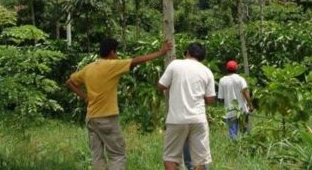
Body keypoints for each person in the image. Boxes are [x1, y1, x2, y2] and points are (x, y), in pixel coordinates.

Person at [66, 37, 173, 170]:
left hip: (91, 118)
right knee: (117, 155)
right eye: (116, 53)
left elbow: (70, 82)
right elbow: (136, 61)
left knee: (97, 156)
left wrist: (85, 97)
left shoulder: (88, 68)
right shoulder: (112, 65)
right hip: (107, 118)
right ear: (112, 52)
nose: (117, 56)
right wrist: (160, 52)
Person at [158, 42, 216, 170]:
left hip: (177, 119)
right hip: (198, 119)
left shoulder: (175, 64)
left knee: (170, 159)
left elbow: (161, 85)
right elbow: (211, 99)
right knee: (200, 161)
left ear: (187, 52)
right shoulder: (207, 71)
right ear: (202, 57)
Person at [218, 60, 253, 140]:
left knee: (233, 134)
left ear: (226, 69)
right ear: (236, 69)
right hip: (242, 110)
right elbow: (245, 92)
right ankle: (245, 150)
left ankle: (235, 150)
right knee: (245, 133)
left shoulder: (222, 80)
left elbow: (221, 98)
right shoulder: (240, 79)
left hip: (230, 111)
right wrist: (250, 105)